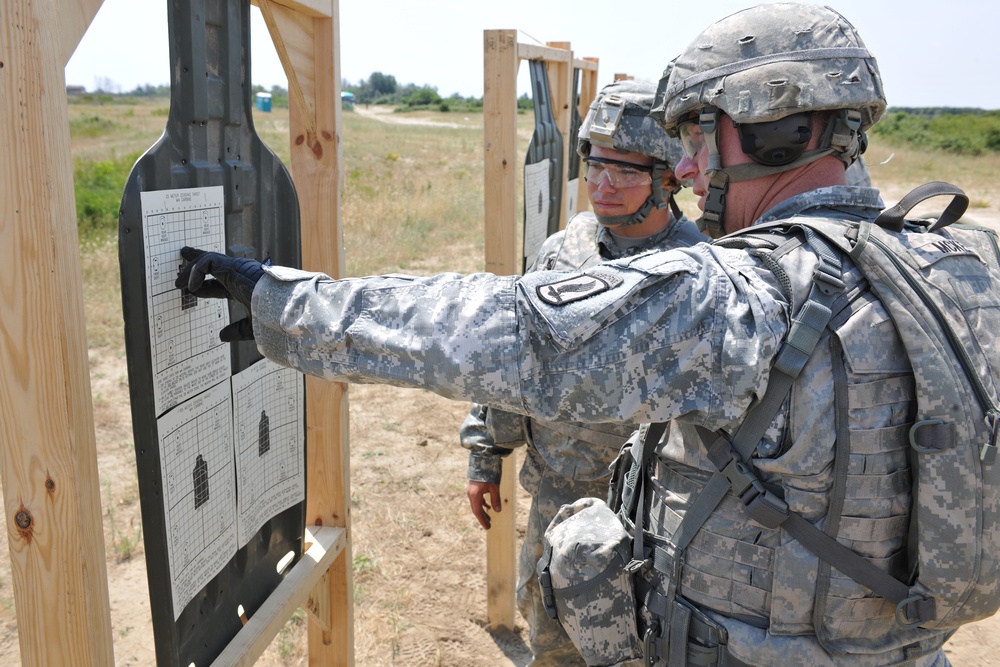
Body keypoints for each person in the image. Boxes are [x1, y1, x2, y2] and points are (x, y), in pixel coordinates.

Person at [175, 4, 964, 664]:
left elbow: (496, 333)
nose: (688, 170)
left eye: (699, 136)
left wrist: (281, 301)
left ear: (781, 130)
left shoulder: (742, 294)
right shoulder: (961, 267)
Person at [460, 79, 705, 667]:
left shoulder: (703, 266)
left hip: (661, 510)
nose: (603, 184)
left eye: (625, 171)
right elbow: (511, 359)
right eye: (595, 164)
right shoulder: (563, 253)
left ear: (668, 177)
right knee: (552, 636)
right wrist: (485, 452)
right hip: (562, 493)